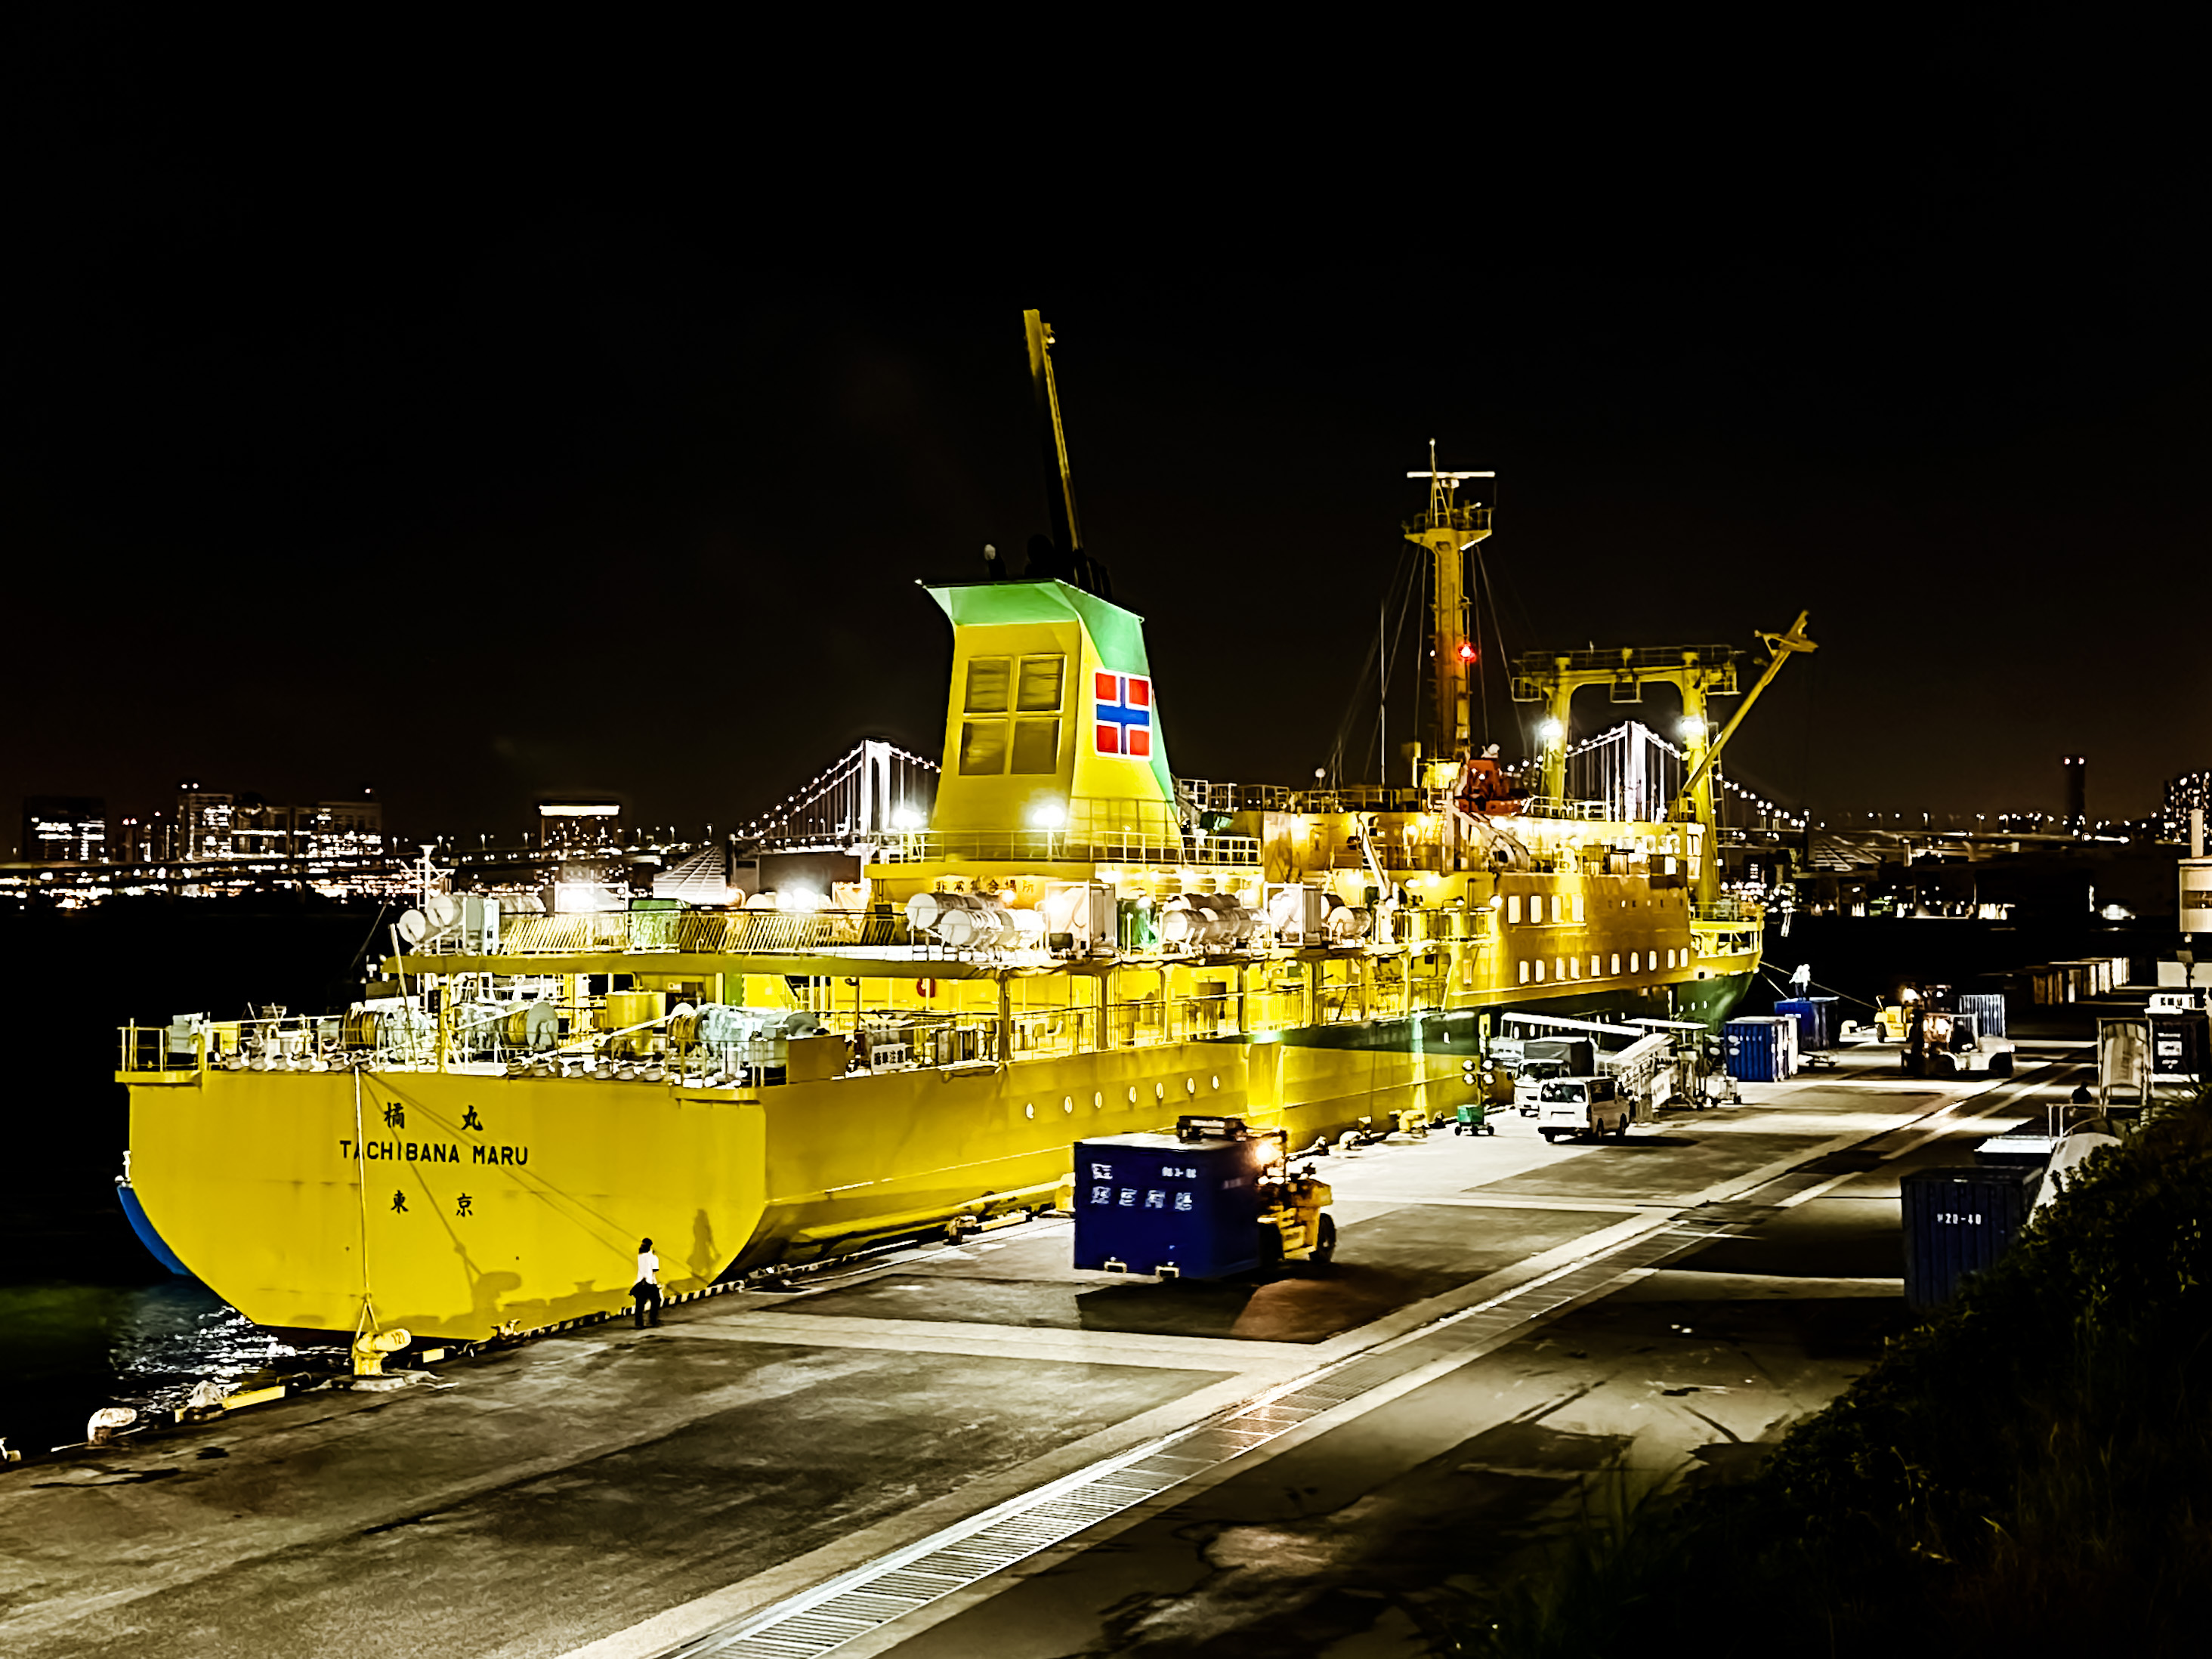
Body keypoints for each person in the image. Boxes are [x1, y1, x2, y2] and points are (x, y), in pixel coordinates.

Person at [632, 1237, 662, 1329]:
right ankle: (652, 1320)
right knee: (656, 1301)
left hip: (640, 1283)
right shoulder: (653, 1258)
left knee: (640, 1305)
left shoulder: (639, 1256)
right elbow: (654, 1271)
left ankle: (639, 1323)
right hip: (650, 1283)